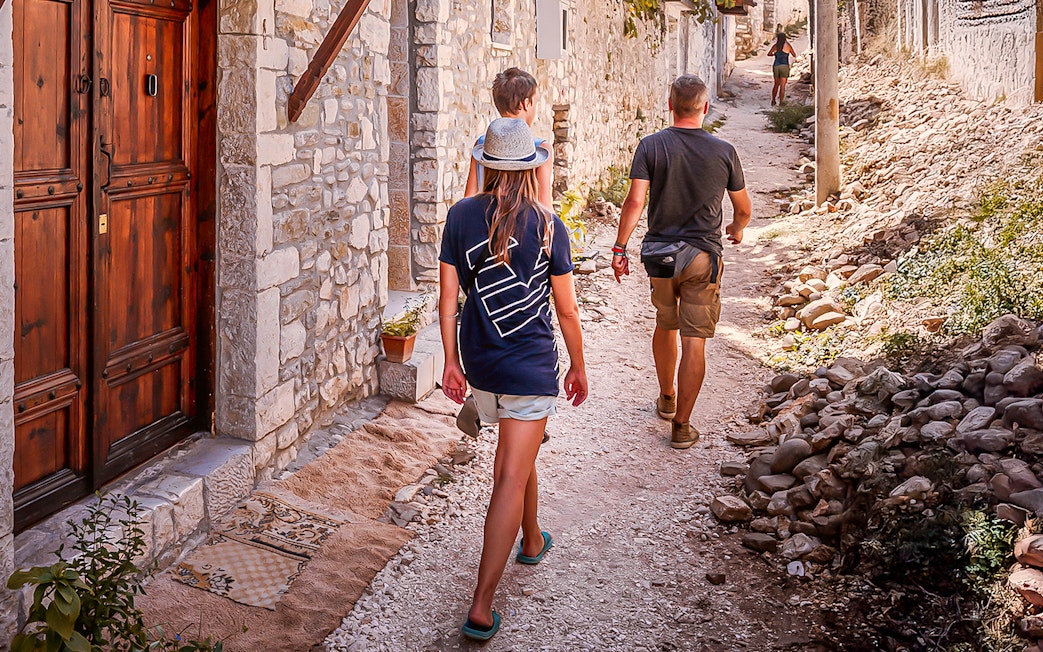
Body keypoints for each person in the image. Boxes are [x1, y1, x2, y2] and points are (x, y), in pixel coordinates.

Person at [439, 117, 588, 641]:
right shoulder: (549, 225)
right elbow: (567, 311)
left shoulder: (459, 216)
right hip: (528, 367)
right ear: (530, 168)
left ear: (485, 163)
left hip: (480, 365)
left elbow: (448, 300)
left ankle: (531, 538)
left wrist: (451, 361)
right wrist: (578, 364)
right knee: (508, 472)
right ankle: (481, 605)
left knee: (520, 456)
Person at [611, 75, 751, 450]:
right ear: (705, 108)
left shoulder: (651, 146)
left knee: (664, 322)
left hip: (660, 257)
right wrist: (737, 229)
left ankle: (667, 397)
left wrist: (619, 248)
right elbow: (742, 209)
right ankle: (682, 427)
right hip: (702, 257)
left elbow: (635, 202)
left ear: (669, 105)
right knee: (695, 343)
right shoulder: (724, 151)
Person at [463, 67, 554, 208]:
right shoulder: (540, 148)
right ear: (526, 103)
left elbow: (468, 197)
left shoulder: (482, 145)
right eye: (535, 102)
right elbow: (545, 207)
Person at [768, 32, 797, 105]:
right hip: (784, 66)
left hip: (776, 66)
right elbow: (794, 55)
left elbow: (769, 54)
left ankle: (773, 100)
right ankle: (781, 102)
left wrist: (775, 54)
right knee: (782, 86)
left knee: (776, 84)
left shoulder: (775, 46)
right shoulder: (788, 45)